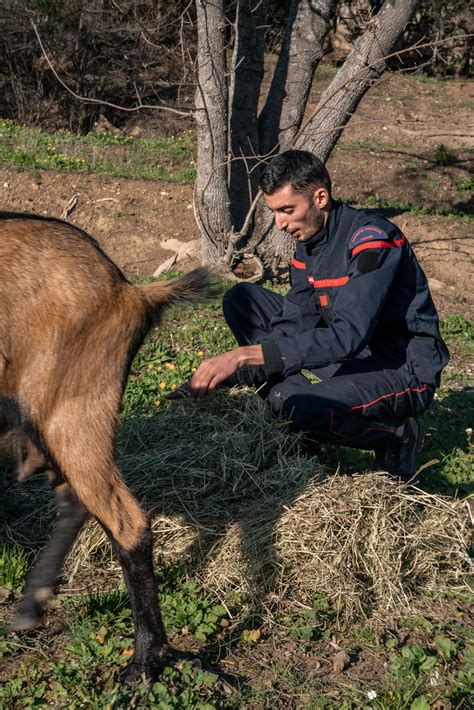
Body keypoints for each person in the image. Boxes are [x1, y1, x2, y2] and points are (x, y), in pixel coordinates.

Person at [178, 150, 450, 479]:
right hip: (348, 353)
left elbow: (348, 335)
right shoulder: (309, 244)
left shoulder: (372, 241)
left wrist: (244, 357)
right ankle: (292, 413)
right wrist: (224, 378)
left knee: (291, 404)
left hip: (399, 365)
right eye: (275, 212)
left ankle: (397, 435)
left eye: (286, 210)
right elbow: (295, 320)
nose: (279, 223)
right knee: (242, 300)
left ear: (319, 197)